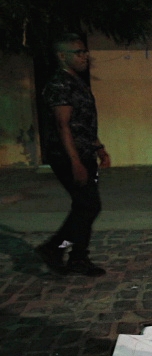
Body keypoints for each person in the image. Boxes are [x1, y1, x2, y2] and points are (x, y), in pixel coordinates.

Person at [36, 33, 110, 277]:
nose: (84, 56)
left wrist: (99, 148)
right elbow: (63, 125)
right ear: (62, 56)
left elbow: (83, 124)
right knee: (88, 205)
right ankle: (55, 247)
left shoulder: (76, 82)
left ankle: (77, 257)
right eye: (78, 52)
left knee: (85, 206)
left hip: (84, 152)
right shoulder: (60, 84)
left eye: (85, 51)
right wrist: (75, 162)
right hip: (68, 155)